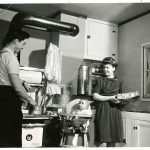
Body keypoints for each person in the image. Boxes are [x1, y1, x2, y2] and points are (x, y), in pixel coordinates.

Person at [0, 30, 37, 147]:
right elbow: (16, 86)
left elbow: (5, 76)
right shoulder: (11, 58)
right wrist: (30, 100)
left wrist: (23, 81)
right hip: (8, 98)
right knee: (11, 137)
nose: (23, 47)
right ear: (16, 41)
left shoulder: (2, 55)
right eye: (23, 44)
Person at [93, 57, 123, 147]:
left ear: (113, 68)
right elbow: (95, 96)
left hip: (115, 111)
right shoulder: (99, 80)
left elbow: (120, 96)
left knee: (112, 140)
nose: (105, 70)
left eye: (108, 67)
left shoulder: (119, 82)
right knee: (103, 139)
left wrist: (120, 100)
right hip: (103, 110)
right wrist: (110, 98)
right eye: (104, 67)